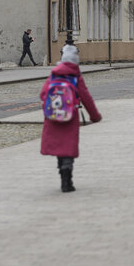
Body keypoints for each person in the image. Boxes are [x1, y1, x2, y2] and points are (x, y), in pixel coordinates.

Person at [40, 44, 102, 192]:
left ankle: (62, 173)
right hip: (70, 117)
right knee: (68, 147)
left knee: (59, 148)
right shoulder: (76, 77)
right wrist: (95, 116)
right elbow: (86, 98)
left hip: (53, 117)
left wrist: (50, 109)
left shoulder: (53, 74)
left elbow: (43, 94)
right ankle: (67, 181)